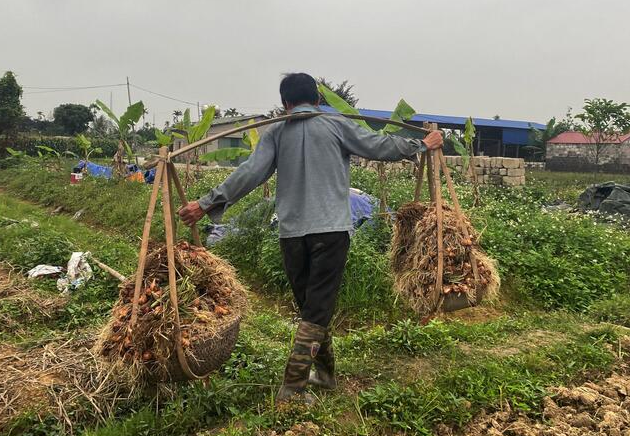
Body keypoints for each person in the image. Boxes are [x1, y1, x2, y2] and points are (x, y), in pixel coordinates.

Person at [179, 73, 443, 403]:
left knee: (311, 307)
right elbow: (379, 145)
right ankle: (293, 389)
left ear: (286, 104)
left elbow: (249, 173)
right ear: (317, 100)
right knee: (315, 310)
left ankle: (327, 376)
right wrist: (421, 144)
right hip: (330, 233)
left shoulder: (276, 132)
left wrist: (204, 204)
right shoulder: (336, 125)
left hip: (292, 237)